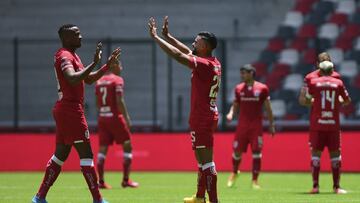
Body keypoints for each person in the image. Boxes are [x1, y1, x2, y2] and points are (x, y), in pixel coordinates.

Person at [32, 24, 120, 203]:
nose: (80, 37)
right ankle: (98, 199)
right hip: (70, 110)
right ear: (66, 38)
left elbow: (87, 79)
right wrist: (94, 63)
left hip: (65, 109)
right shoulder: (64, 55)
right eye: (76, 34)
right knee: (86, 155)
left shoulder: (73, 55)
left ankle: (39, 197)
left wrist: (104, 67)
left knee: (60, 155)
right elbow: (72, 78)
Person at [149, 16, 221, 203]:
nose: (194, 43)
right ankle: (199, 197)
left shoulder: (204, 65)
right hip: (206, 114)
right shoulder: (212, 62)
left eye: (197, 41)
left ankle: (213, 201)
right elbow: (187, 51)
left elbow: (180, 56)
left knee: (207, 161)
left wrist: (157, 38)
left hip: (202, 117)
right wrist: (169, 36)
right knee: (201, 160)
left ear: (205, 46)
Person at [299, 60, 351, 194]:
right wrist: (335, 101)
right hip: (333, 124)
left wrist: (316, 103)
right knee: (335, 156)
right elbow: (347, 100)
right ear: (332, 70)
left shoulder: (314, 82)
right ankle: (336, 187)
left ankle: (315, 186)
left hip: (318, 123)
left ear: (320, 70)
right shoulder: (338, 83)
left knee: (316, 154)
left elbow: (306, 100)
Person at [226, 64, 275, 189]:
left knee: (256, 152)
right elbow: (235, 104)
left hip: (256, 127)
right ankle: (235, 172)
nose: (242, 75)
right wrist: (231, 113)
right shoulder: (238, 88)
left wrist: (271, 124)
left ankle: (254, 181)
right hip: (242, 126)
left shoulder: (262, 88)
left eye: (244, 73)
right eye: (241, 73)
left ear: (251, 73)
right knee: (237, 152)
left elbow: (268, 108)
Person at [95, 58, 139, 189]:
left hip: (102, 117)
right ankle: (126, 180)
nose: (121, 68)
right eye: (120, 65)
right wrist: (126, 118)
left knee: (103, 148)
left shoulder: (99, 81)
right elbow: (119, 101)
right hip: (115, 118)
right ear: (114, 66)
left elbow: (97, 103)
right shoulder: (117, 80)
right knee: (127, 145)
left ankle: (101, 182)